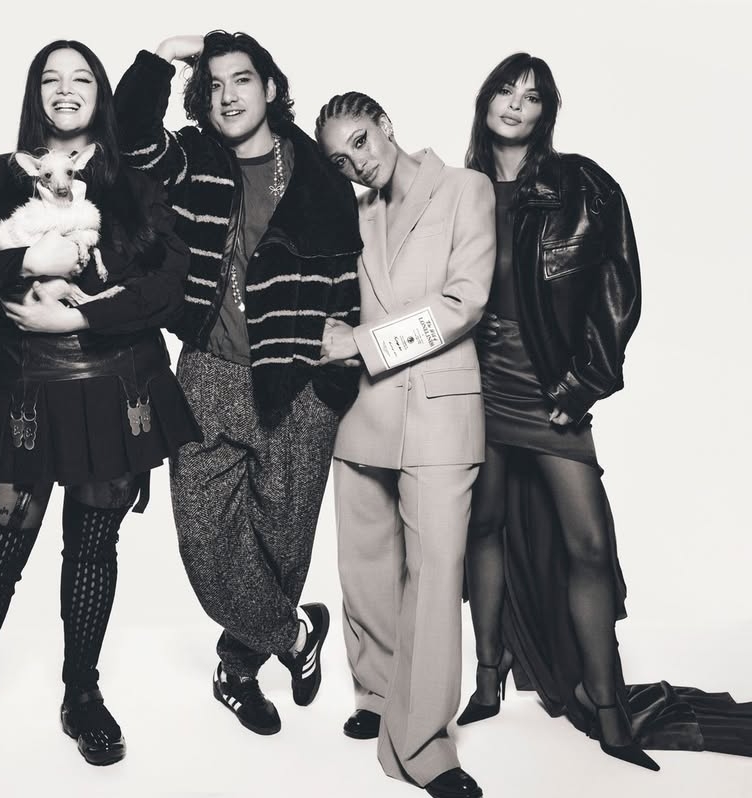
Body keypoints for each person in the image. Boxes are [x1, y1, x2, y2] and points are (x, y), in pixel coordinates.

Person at [0, 39, 199, 797]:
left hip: (113, 387)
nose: (67, 89)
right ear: (35, 93)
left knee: (93, 549)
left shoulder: (131, 179)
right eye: (51, 78)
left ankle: (82, 695)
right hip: (24, 392)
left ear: (100, 92)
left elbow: (170, 282)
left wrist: (81, 320)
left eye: (81, 77)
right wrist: (27, 265)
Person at [459, 51, 752, 768]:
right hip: (474, 390)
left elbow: (619, 292)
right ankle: (489, 677)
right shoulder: (458, 191)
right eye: (505, 90)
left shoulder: (580, 185)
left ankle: (610, 706)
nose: (515, 104)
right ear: (486, 100)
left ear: (546, 113)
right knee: (484, 527)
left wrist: (580, 385)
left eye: (532, 96)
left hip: (547, 395)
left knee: (589, 545)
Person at [114, 31, 363, 735]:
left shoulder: (317, 174)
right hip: (208, 373)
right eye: (216, 84)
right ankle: (295, 636)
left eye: (242, 80)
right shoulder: (195, 158)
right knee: (206, 542)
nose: (227, 96)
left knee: (281, 546)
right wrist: (165, 54)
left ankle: (238, 669)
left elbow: (346, 272)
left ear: (271, 88)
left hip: (297, 383)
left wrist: (338, 370)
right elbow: (129, 134)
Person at [316, 93, 494, 798]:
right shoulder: (352, 213)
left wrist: (359, 344)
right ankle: (378, 692)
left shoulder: (465, 189)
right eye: (339, 159)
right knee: (364, 567)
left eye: (360, 141)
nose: (356, 163)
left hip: (439, 411)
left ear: (385, 125)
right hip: (362, 414)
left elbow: (463, 303)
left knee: (435, 575)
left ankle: (424, 744)